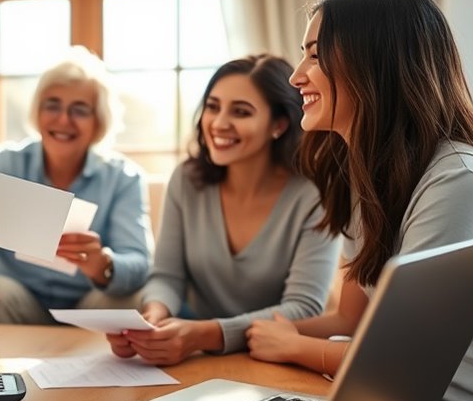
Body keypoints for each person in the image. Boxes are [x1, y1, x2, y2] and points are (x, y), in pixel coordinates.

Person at [245, 0, 473, 401]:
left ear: (376, 63)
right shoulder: (370, 170)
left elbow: (403, 371)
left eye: (316, 57)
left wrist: (294, 347)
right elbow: (351, 315)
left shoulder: (458, 178)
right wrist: (256, 334)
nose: (298, 75)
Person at [105, 55, 340, 365]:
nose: (218, 123)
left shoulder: (314, 194)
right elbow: (167, 276)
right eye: (213, 107)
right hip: (195, 350)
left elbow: (303, 306)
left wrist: (205, 335)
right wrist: (152, 319)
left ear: (279, 125)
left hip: (271, 355)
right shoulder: (187, 180)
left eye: (241, 112)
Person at [0, 46, 152, 324]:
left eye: (79, 110)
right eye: (53, 105)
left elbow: (139, 262)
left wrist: (104, 265)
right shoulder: (9, 163)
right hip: (20, 294)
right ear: (37, 112)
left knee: (137, 300)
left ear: (99, 122)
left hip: (90, 298)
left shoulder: (124, 178)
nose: (63, 120)